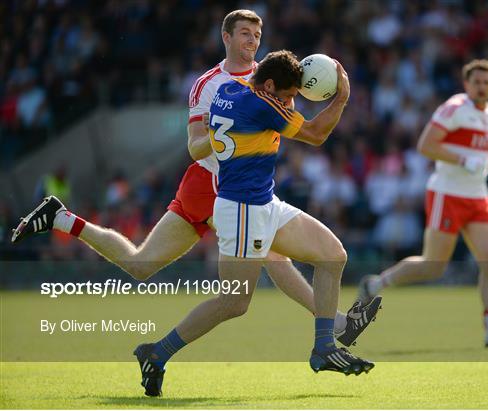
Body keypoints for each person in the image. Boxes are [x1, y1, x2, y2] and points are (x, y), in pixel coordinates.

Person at [11, 10, 380, 395]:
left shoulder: (259, 82)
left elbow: (276, 113)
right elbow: (196, 145)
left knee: (275, 259)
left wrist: (242, 132)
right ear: (225, 37)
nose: (252, 40)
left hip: (249, 189)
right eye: (244, 33)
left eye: (257, 34)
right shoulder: (212, 85)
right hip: (213, 185)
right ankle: (329, 329)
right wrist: (230, 141)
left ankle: (63, 219)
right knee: (240, 282)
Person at [132, 50, 375, 397]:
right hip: (243, 209)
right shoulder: (263, 104)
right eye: (289, 96)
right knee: (234, 302)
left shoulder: (229, 92)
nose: (291, 102)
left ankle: (324, 347)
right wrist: (341, 99)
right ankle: (156, 352)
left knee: (332, 255)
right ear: (271, 85)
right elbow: (316, 134)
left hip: (263, 202)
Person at [359, 59, 488, 348]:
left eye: (487, 82)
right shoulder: (454, 108)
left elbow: (477, 147)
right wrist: (465, 159)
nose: (482, 86)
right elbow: (427, 145)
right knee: (433, 266)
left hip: (478, 196)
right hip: (447, 193)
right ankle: (374, 284)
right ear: (466, 84)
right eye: (476, 81)